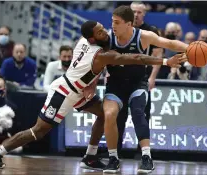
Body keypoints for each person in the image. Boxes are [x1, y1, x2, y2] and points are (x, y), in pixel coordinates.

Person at [0, 20, 186, 169]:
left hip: (79, 89)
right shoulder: (101, 55)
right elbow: (135, 58)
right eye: (100, 31)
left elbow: (97, 55)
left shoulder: (85, 39)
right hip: (63, 92)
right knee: (39, 131)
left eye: (102, 27)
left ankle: (90, 156)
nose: (105, 32)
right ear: (92, 38)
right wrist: (166, 62)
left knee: (104, 114)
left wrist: (92, 82)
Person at [81, 6, 188, 174]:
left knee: (138, 111)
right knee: (109, 115)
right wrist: (91, 86)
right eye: (112, 22)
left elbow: (169, 43)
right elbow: (95, 63)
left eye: (117, 23)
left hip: (137, 84)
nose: (113, 26)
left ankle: (146, 157)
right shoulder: (107, 39)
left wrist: (191, 48)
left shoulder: (143, 36)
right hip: (115, 85)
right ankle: (113, 158)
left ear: (129, 24)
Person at [115, 1, 163, 158]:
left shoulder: (151, 31)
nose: (136, 14)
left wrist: (152, 78)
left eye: (139, 12)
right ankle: (116, 150)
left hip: (142, 79)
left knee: (141, 114)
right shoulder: (121, 29)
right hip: (121, 79)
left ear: (144, 14)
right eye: (133, 11)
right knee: (119, 116)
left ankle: (141, 151)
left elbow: (158, 56)